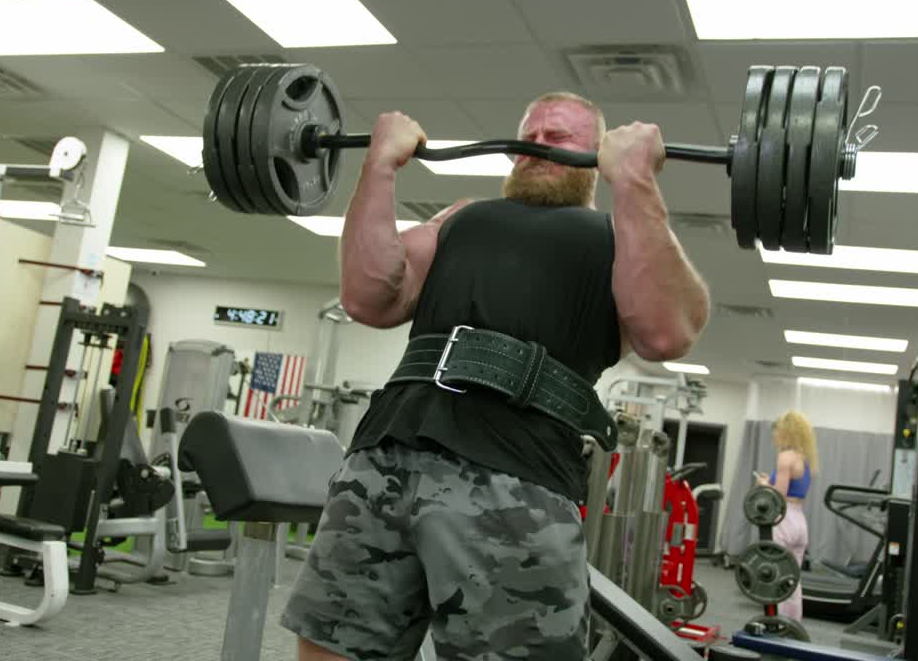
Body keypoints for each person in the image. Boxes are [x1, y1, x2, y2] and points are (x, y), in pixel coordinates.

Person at [280, 91, 711, 660]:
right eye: (529, 138)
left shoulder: (620, 237)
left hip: (516, 479)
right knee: (333, 649)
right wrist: (380, 166)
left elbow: (668, 332)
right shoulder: (462, 219)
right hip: (384, 458)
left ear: (599, 154)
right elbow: (367, 297)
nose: (538, 147)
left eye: (559, 139)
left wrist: (635, 182)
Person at [753, 410, 820, 621]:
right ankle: (793, 626)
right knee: (793, 579)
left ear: (786, 432)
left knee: (775, 574)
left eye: (778, 432)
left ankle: (777, 625)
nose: (775, 436)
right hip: (800, 521)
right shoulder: (804, 459)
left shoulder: (785, 457)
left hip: (784, 519)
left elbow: (778, 495)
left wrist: (764, 484)